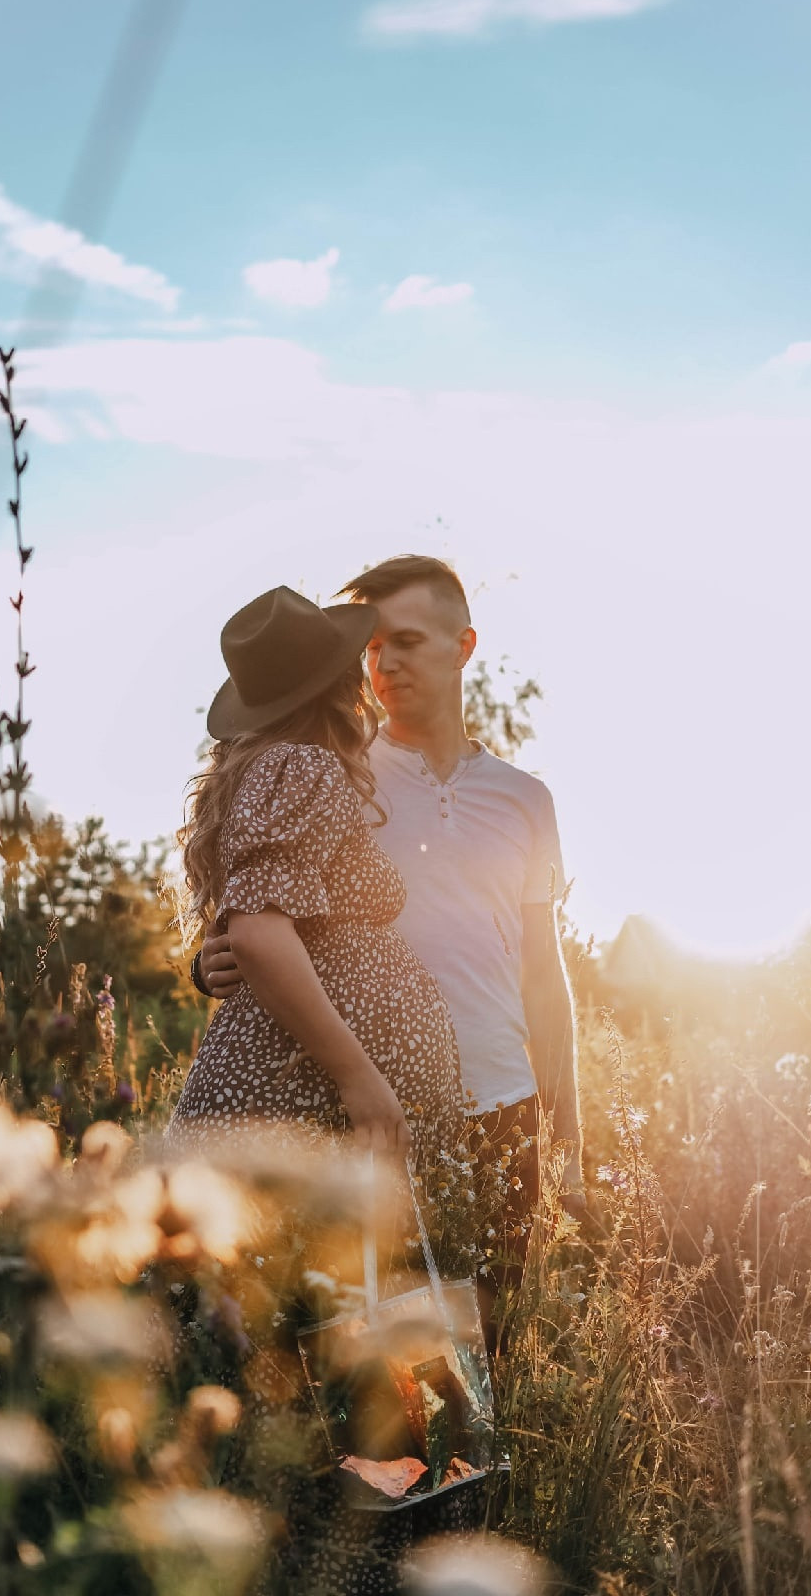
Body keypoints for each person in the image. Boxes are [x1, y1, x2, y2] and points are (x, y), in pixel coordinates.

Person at [168, 584, 469, 1593]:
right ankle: (355, 1561)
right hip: (305, 1100)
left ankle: (331, 1552)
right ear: (331, 682)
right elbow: (257, 930)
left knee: (312, 1349)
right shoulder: (301, 765)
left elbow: (244, 929)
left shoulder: (267, 766)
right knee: (334, 1343)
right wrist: (363, 1077)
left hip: (289, 1092)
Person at [195, 556, 582, 1340]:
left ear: (463, 646)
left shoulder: (525, 800)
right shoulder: (336, 767)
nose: (385, 663)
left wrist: (568, 1135)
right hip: (373, 1119)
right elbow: (253, 911)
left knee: (486, 1368)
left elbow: (545, 972)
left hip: (500, 1109)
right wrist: (206, 961)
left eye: (406, 641)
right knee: (373, 1386)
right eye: (372, 648)